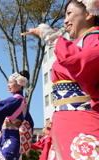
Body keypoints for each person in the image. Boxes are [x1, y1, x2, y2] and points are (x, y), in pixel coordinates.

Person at [28, 0, 99, 159]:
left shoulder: (95, 38)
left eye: (69, 13)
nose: (65, 20)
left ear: (88, 14)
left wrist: (52, 37)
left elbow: (85, 63)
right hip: (64, 120)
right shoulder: (80, 42)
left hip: (82, 119)